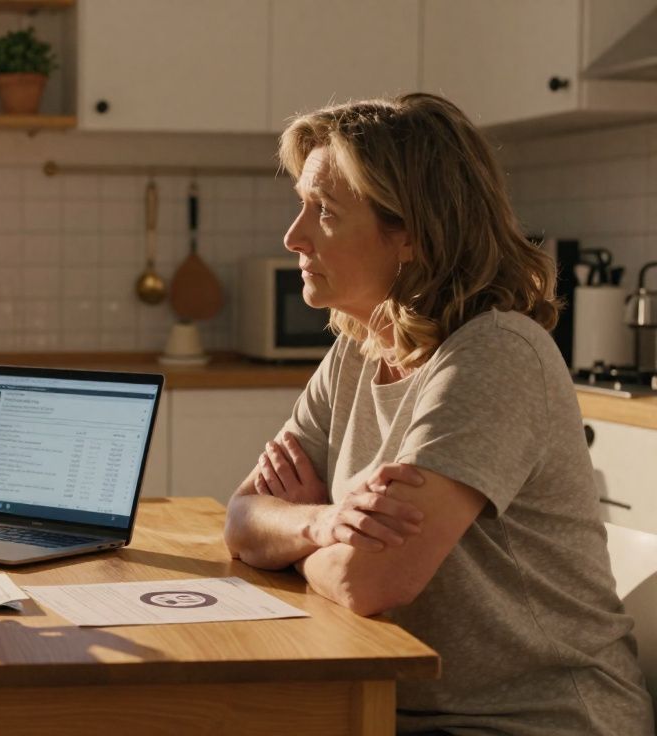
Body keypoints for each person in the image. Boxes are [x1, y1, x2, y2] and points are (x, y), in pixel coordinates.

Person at [223, 93, 654, 734]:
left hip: (534, 719)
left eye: (326, 212)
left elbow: (370, 582)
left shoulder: (493, 354)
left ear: (412, 235)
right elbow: (242, 518)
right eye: (301, 206)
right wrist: (325, 523)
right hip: (399, 705)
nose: (295, 236)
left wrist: (295, 547)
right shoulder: (357, 346)